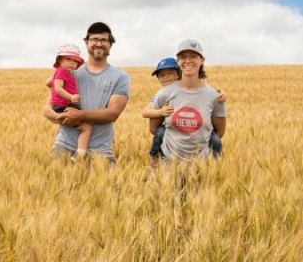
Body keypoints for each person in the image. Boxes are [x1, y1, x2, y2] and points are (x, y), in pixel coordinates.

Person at [43, 22, 130, 163]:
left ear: (110, 44)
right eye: (94, 39)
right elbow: (48, 107)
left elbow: (113, 113)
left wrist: (78, 115)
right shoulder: (70, 71)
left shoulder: (120, 77)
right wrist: (58, 116)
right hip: (63, 146)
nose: (99, 43)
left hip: (100, 151)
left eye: (104, 40)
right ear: (86, 42)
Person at [148, 39, 226, 161]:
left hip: (203, 168)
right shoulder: (164, 93)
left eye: (193, 56)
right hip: (168, 167)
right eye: (183, 57)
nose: (188, 60)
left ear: (202, 60)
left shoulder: (215, 97)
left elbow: (219, 133)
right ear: (178, 61)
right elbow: (153, 129)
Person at [49, 43, 93, 160]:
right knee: (87, 128)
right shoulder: (62, 71)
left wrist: (51, 83)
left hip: (64, 105)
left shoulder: (62, 72)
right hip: (64, 105)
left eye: (75, 61)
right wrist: (70, 97)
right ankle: (79, 156)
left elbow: (51, 83)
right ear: (59, 60)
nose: (72, 63)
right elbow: (58, 88)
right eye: (69, 59)